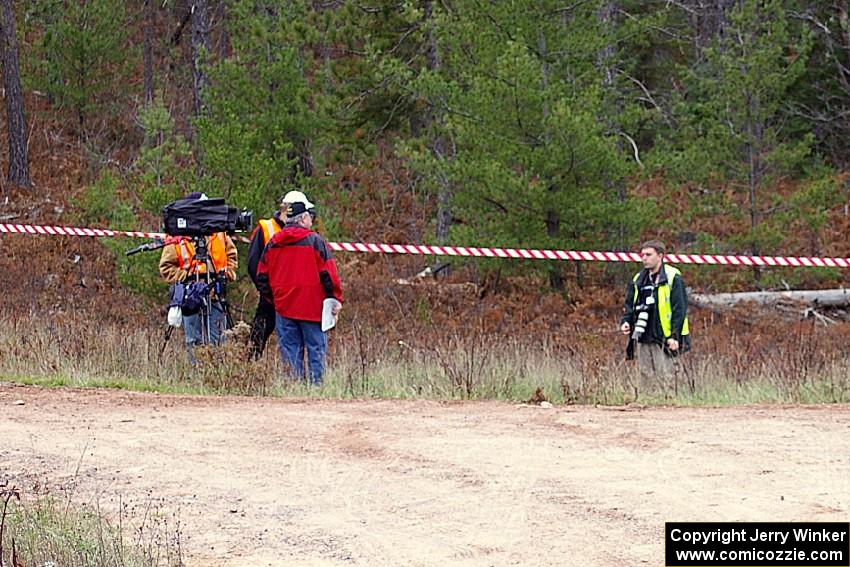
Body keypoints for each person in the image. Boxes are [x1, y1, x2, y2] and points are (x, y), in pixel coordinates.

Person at [256, 201, 343, 385]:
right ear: (303, 218)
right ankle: (316, 392)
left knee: (290, 352)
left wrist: (275, 300)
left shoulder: (273, 243)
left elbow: (261, 276)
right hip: (312, 308)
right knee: (316, 351)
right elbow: (329, 274)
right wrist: (335, 298)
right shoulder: (315, 241)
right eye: (309, 217)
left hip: (284, 308)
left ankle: (294, 393)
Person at [159, 192, 238, 357]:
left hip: (215, 293)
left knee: (219, 339)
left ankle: (216, 375)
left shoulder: (219, 232)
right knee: (193, 340)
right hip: (190, 295)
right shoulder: (178, 236)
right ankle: (196, 376)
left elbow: (231, 256)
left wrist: (226, 274)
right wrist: (188, 278)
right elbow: (166, 267)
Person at [246, 190, 314, 360]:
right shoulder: (266, 228)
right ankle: (248, 370)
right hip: (271, 297)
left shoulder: (307, 233)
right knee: (257, 339)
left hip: (296, 298)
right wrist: (268, 292)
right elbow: (253, 264)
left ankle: (295, 380)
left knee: (297, 343)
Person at [620, 240, 690, 380]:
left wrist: (674, 336)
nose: (644, 258)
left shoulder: (673, 277)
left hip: (664, 337)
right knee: (645, 377)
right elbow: (630, 304)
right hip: (643, 335)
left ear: (660, 256)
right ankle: (648, 402)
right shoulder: (638, 279)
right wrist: (626, 321)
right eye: (642, 255)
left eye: (648, 254)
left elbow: (679, 309)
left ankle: (670, 402)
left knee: (667, 377)